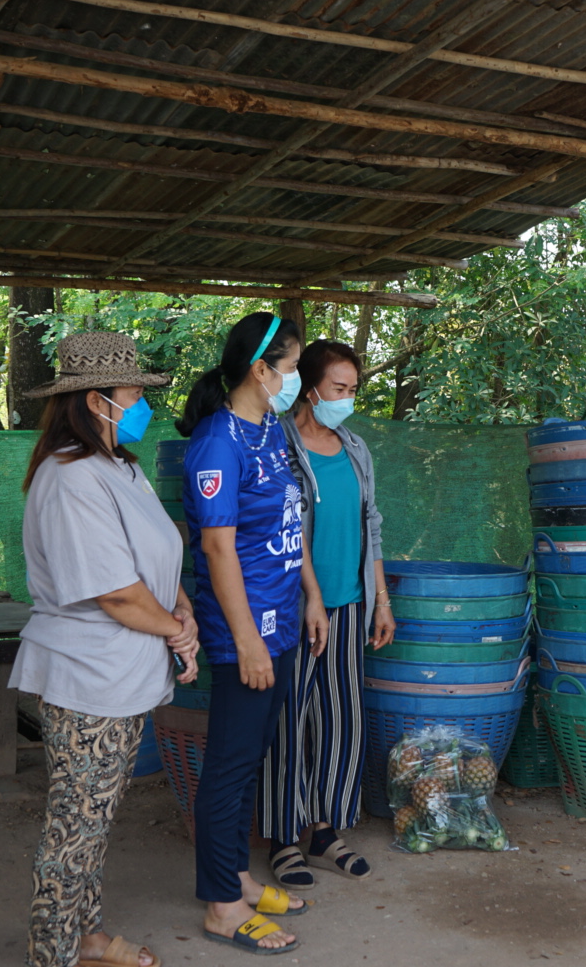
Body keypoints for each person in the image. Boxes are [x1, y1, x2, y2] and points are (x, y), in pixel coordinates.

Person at [12, 332, 201, 967]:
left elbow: (151, 564)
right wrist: (175, 629)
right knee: (75, 828)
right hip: (88, 678)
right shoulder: (71, 479)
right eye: (135, 395)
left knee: (92, 822)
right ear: (98, 401)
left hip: (121, 673)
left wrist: (182, 608)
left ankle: (86, 938)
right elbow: (115, 594)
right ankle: (52, 954)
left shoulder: (120, 467)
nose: (144, 404)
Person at [176, 312, 328, 956]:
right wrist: (246, 640)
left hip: (282, 620)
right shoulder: (217, 442)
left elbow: (288, 524)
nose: (295, 379)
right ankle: (220, 904)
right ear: (261, 370)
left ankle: (234, 874)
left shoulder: (265, 428)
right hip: (247, 632)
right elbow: (216, 548)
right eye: (292, 368)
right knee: (230, 765)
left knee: (252, 755)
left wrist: (310, 598)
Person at [258, 339, 392, 890]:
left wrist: (380, 600)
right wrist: (309, 597)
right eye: (340, 388)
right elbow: (281, 528)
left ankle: (322, 829)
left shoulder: (355, 447)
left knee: (341, 723)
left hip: (348, 605)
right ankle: (284, 838)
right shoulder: (278, 444)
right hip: (294, 609)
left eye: (353, 389)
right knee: (289, 722)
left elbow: (372, 525)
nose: (348, 398)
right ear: (309, 387)